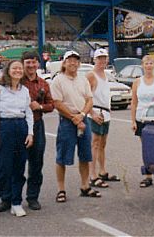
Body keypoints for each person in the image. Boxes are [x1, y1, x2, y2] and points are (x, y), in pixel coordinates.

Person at [0, 51, 54, 212]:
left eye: (34, 62)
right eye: (27, 62)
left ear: (38, 64)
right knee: (12, 163)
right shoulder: (13, 81)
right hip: (16, 127)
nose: (31, 65)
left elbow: (51, 105)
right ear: (22, 63)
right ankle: (8, 198)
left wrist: (40, 107)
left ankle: (32, 197)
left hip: (36, 125)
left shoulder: (43, 84)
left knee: (36, 163)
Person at [0, 60, 34, 220]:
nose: (18, 71)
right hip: (6, 128)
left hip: (21, 127)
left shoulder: (24, 91)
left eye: (20, 68)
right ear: (8, 71)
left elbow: (28, 113)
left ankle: (16, 203)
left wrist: (30, 133)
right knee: (3, 169)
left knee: (19, 168)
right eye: (14, 68)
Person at [51, 50, 101, 202]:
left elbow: (89, 100)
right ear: (64, 63)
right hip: (67, 121)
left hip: (82, 119)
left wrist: (82, 116)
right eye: (69, 60)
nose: (73, 63)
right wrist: (74, 118)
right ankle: (61, 189)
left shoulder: (83, 80)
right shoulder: (58, 80)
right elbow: (57, 103)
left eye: (76, 60)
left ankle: (85, 186)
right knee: (62, 157)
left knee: (85, 155)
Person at [86, 48, 120, 189]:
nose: (102, 61)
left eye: (104, 58)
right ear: (94, 59)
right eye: (99, 58)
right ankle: (92, 175)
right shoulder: (91, 75)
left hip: (105, 113)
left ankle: (102, 171)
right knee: (94, 143)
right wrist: (92, 113)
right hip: (95, 113)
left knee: (102, 144)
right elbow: (84, 96)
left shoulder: (105, 75)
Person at [131, 55, 154, 189]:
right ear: (143, 65)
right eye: (146, 63)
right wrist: (133, 121)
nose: (149, 66)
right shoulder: (137, 82)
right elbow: (134, 102)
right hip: (142, 118)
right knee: (147, 149)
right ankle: (148, 176)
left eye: (151, 63)